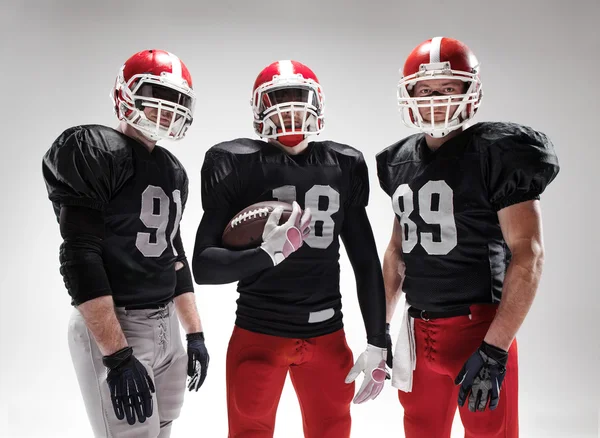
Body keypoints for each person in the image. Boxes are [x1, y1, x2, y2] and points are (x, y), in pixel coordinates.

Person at [192, 60, 388, 438]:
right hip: (258, 333)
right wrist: (266, 254)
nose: (289, 110)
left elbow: (364, 261)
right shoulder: (235, 163)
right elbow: (203, 265)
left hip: (328, 334)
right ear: (259, 108)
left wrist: (378, 341)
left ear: (317, 104)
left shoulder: (343, 164)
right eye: (278, 99)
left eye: (298, 99)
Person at [377, 37, 560, 437]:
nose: (436, 100)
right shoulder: (398, 160)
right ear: (408, 93)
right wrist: (379, 330)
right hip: (417, 330)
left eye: (448, 89)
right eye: (425, 90)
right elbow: (397, 251)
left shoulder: (496, 152)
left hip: (478, 332)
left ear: (469, 92)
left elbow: (528, 253)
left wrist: (495, 349)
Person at [42, 49, 210, 438]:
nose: (166, 108)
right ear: (126, 93)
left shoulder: (172, 170)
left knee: (162, 427)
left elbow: (174, 256)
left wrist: (195, 332)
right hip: (118, 324)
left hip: (165, 322)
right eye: (156, 93)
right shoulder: (96, 150)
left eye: (175, 100)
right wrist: (117, 355)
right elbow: (80, 256)